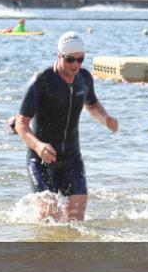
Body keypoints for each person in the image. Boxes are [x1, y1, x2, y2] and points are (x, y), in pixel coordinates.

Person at [15, 32, 119, 221]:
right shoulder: (42, 81)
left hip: (72, 158)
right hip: (42, 159)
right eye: (70, 60)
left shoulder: (84, 78)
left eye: (80, 59)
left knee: (76, 217)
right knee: (49, 216)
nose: (76, 65)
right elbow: (21, 124)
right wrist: (38, 146)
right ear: (59, 55)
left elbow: (92, 105)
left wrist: (106, 119)